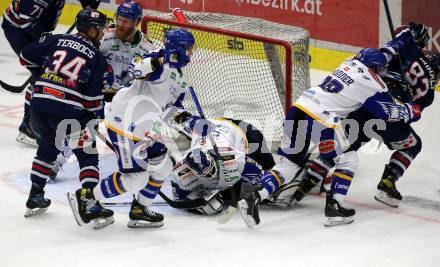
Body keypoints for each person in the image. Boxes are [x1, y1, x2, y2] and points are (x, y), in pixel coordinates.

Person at [237, 47, 422, 227]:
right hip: (320, 119)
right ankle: (334, 208)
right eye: (380, 70)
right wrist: (411, 110)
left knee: (289, 165)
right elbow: (386, 113)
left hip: (298, 109)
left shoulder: (348, 62)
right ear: (373, 67)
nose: (381, 74)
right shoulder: (373, 83)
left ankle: (255, 195)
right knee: (349, 159)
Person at [68, 28, 210, 229]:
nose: (191, 53)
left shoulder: (180, 78)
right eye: (189, 49)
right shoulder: (156, 61)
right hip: (125, 123)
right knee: (136, 178)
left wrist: (191, 122)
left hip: (147, 128)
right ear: (182, 48)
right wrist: (161, 60)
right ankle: (87, 197)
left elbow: (171, 110)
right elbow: (136, 70)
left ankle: (139, 210)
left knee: (163, 168)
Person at [286, 22, 432, 208]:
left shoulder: (397, 49)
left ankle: (305, 185)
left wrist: (402, 41)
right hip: (389, 111)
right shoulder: (427, 83)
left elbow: (384, 52)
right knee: (414, 144)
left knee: (342, 146)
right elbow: (415, 107)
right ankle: (388, 183)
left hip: (365, 106)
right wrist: (411, 110)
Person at [21, 8, 113, 227]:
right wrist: (90, 119)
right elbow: (91, 100)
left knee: (47, 148)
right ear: (91, 30)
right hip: (66, 112)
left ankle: (35, 196)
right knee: (87, 152)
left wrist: (46, 77)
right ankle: (89, 201)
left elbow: (25, 57)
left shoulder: (56, 39)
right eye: (99, 30)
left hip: (39, 104)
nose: (101, 34)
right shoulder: (98, 59)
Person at [2, 0, 100, 147]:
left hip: (34, 27)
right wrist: (50, 40)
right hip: (18, 30)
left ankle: (35, 122)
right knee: (43, 73)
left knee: (47, 69)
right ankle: (27, 129)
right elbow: (25, 23)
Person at [171, 118, 275, 216]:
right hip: (214, 132)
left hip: (242, 131)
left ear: (212, 157)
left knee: (270, 170)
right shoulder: (181, 172)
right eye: (205, 173)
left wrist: (266, 186)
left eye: (210, 168)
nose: (210, 174)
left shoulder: (232, 157)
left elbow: (259, 174)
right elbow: (179, 198)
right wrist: (196, 201)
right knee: (223, 198)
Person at [100, 0, 155, 102]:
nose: (120, 24)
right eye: (119, 19)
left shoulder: (147, 47)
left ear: (137, 21)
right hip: (99, 93)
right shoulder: (104, 35)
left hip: (126, 98)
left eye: (125, 21)